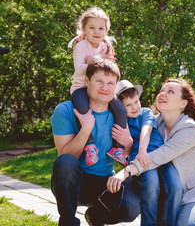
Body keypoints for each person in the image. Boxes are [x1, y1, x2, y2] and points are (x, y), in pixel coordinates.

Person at [107, 78, 195, 225]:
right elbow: (136, 142)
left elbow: (158, 156)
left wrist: (125, 172)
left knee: (187, 225)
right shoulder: (157, 121)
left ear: (183, 103)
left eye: (170, 91)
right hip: (169, 192)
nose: (163, 94)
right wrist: (129, 144)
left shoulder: (190, 129)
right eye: (162, 90)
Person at [50, 60, 140, 226]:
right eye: (99, 81)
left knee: (131, 208)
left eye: (110, 83)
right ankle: (68, 222)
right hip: (73, 183)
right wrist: (85, 129)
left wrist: (128, 144)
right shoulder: (65, 110)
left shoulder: (121, 115)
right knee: (66, 162)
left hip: (104, 182)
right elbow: (66, 157)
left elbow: (130, 157)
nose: (104, 88)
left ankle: (96, 217)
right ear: (87, 81)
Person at [117, 79, 183, 225]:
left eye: (136, 101)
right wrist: (137, 154)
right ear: (120, 107)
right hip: (141, 160)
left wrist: (142, 150)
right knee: (151, 185)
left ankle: (169, 223)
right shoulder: (122, 122)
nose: (134, 107)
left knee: (176, 186)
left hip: (159, 157)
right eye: (128, 105)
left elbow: (145, 130)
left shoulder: (145, 112)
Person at [68, 7, 127, 166]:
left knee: (121, 110)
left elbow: (109, 69)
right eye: (92, 27)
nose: (96, 31)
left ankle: (117, 148)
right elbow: (80, 69)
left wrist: (94, 59)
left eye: (101, 28)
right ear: (84, 29)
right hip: (81, 87)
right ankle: (90, 145)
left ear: (106, 30)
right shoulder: (81, 46)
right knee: (83, 110)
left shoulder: (106, 46)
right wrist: (97, 59)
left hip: (101, 88)